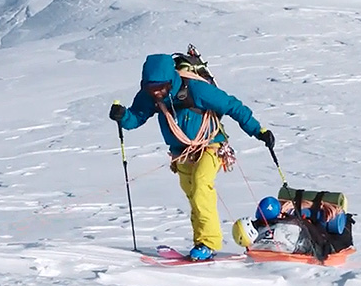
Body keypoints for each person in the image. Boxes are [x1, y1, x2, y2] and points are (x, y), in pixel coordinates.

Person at [110, 53, 274, 260]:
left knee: (200, 184)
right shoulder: (149, 96)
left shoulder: (196, 89)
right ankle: (200, 242)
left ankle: (209, 242)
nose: (157, 92)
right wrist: (122, 116)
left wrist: (258, 131)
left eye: (160, 87)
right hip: (181, 153)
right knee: (193, 195)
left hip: (211, 145)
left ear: (171, 80)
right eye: (151, 88)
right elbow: (135, 118)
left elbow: (232, 105)